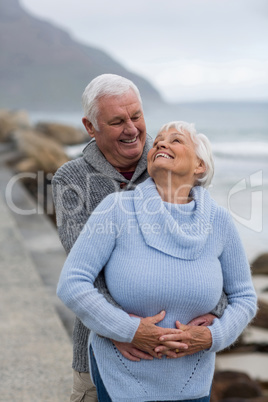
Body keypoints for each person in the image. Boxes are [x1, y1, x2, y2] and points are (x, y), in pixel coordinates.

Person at [52, 75, 227, 402]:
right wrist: (124, 328)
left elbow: (207, 248)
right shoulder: (72, 179)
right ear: (91, 127)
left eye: (136, 116)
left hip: (179, 357)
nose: (131, 129)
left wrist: (215, 310)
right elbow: (84, 270)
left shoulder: (172, 161)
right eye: (117, 121)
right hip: (105, 348)